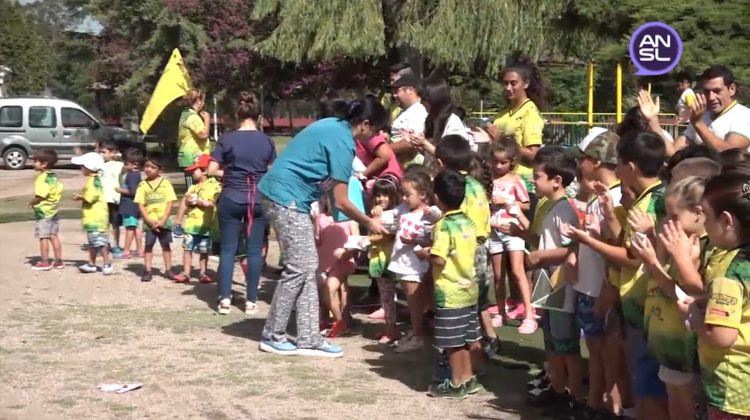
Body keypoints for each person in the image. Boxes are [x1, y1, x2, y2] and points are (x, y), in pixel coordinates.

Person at [257, 96, 389, 358]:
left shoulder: (331, 125)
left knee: (307, 267)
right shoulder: (343, 143)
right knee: (299, 268)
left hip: (288, 198)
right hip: (285, 199)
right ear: (364, 124)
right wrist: (368, 222)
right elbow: (341, 199)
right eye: (377, 130)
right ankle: (272, 334)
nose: (377, 137)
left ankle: (308, 338)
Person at [631, 177, 709, 420]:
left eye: (673, 216)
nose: (667, 221)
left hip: (686, 343)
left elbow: (685, 290)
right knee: (675, 401)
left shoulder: (706, 246)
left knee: (686, 405)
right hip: (666, 339)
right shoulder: (680, 239)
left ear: (698, 213)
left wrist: (652, 262)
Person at [513, 146, 583, 415]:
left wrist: (540, 254)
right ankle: (557, 388)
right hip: (547, 280)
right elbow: (545, 240)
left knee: (566, 344)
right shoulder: (549, 206)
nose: (534, 180)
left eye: (538, 176)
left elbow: (572, 248)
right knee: (552, 340)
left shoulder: (565, 209)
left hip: (560, 282)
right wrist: (523, 234)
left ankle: (574, 397)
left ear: (557, 181)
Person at [569, 129, 625, 416]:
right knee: (595, 349)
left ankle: (608, 404)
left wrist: (607, 287)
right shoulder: (597, 195)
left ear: (597, 161)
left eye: (585, 158)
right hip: (588, 284)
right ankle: (594, 401)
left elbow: (616, 247)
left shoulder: (614, 198)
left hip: (600, 288)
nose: (581, 164)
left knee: (608, 353)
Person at [615, 131, 669, 419]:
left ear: (630, 167)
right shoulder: (661, 195)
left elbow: (631, 258)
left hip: (647, 307)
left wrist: (588, 241)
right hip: (651, 306)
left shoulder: (646, 205)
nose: (616, 169)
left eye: (619, 163)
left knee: (650, 385)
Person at [207, 91, 276, 315]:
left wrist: (229, 173)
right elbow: (272, 172)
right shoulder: (267, 141)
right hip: (257, 199)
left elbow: (211, 170)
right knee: (254, 251)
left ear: (238, 114)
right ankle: (251, 301)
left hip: (231, 197)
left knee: (227, 250)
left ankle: (225, 299)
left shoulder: (226, 139)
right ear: (258, 116)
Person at [434, 136, 497, 376]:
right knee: (474, 306)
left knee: (460, 308)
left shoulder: (456, 186)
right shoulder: (476, 184)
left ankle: (458, 362)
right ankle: (475, 361)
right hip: (482, 248)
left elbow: (457, 224)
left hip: (464, 252)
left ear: (440, 162)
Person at [692, 169, 750, 419]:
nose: (702, 224)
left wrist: (695, 318)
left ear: (727, 220)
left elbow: (722, 336)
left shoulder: (728, 274)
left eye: (705, 216)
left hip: (731, 389)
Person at [426, 169, 481, 399]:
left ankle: (456, 383)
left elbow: (439, 257)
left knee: (452, 343)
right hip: (469, 290)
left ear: (437, 197)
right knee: (466, 339)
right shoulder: (468, 221)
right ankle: (468, 378)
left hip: (449, 292)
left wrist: (424, 252)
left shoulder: (444, 225)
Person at [486, 136, 535, 333]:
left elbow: (526, 204)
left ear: (512, 162)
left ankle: (529, 314)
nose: (498, 166)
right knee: (498, 275)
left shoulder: (516, 180)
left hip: (512, 229)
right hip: (493, 229)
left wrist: (507, 201)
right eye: (495, 161)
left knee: (517, 270)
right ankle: (501, 312)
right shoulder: (488, 179)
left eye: (503, 162)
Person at [479, 58, 547, 198]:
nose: (508, 88)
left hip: (520, 182)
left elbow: (533, 154)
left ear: (526, 84)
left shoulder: (530, 112)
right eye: (505, 83)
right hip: (498, 180)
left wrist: (500, 139)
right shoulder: (503, 113)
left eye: (513, 83)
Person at [387, 169, 436, 353]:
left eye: (408, 194)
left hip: (416, 265)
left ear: (423, 194)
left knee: (415, 302)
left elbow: (433, 239)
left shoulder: (428, 214)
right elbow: (388, 215)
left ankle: (417, 336)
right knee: (411, 299)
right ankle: (415, 332)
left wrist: (415, 240)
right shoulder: (403, 209)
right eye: (403, 194)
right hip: (402, 262)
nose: (404, 198)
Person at [674, 65, 750, 152]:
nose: (711, 97)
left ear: (732, 89)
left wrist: (698, 124)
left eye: (717, 91)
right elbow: (674, 152)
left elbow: (729, 154)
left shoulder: (745, 116)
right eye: (707, 91)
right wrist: (655, 122)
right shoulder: (701, 115)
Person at [173, 154, 221, 284]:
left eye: (195, 170)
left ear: (205, 170)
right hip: (190, 224)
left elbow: (211, 203)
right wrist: (178, 220)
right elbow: (184, 201)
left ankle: (203, 272)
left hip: (205, 224)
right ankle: (186, 272)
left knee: (203, 250)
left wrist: (199, 202)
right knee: (187, 248)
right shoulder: (193, 187)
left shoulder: (214, 185)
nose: (192, 173)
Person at [315, 194, 358, 338]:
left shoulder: (350, 220)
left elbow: (357, 243)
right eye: (329, 198)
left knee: (330, 288)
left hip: (342, 262)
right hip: (323, 263)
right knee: (323, 294)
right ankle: (326, 321)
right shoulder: (320, 218)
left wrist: (347, 252)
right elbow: (317, 241)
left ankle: (340, 322)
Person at [407, 77, 473, 168]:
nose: (422, 103)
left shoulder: (452, 122)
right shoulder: (429, 120)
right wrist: (416, 144)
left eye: (424, 100)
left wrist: (425, 144)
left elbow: (453, 158)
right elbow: (429, 154)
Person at [368, 177, 402, 343]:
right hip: (380, 260)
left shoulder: (397, 214)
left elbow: (390, 236)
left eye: (385, 195)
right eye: (378, 194)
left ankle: (393, 330)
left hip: (395, 260)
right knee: (386, 296)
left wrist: (372, 239)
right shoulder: (375, 213)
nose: (381, 199)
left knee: (391, 296)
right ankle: (390, 328)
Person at [134, 152, 177, 282]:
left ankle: (168, 270)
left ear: (160, 170)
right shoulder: (142, 185)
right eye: (147, 166)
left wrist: (163, 220)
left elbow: (170, 202)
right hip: (150, 220)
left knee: (166, 245)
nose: (148, 169)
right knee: (148, 246)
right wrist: (148, 220)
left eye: (152, 167)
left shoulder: (166, 183)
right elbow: (140, 204)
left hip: (164, 221)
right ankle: (147, 270)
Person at [71, 152, 112, 275]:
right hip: (92, 217)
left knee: (100, 242)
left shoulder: (93, 180)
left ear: (89, 167)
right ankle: (91, 264)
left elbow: (91, 197)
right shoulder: (92, 179)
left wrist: (80, 197)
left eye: (82, 166)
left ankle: (107, 263)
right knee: (93, 242)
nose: (81, 168)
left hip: (96, 218)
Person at [29, 149, 64, 271]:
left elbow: (40, 196)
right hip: (53, 210)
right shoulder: (53, 177)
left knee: (43, 237)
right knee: (54, 235)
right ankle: (58, 261)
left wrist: (31, 203)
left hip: (44, 212)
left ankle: (45, 261)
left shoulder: (42, 178)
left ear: (44, 164)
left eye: (35, 161)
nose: (33, 163)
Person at [389, 74, 428, 165]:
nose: (394, 95)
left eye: (397, 91)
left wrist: (384, 149)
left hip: (410, 165)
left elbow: (411, 143)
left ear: (410, 90)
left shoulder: (418, 112)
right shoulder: (405, 112)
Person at [178, 88, 212, 186]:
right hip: (194, 157)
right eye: (203, 100)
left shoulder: (185, 114)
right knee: (194, 189)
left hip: (191, 155)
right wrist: (207, 120)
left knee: (198, 188)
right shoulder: (193, 117)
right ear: (199, 101)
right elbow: (203, 134)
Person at [115, 149, 145, 259]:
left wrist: (120, 190)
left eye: (126, 163)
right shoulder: (136, 174)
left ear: (135, 164)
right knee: (136, 227)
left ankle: (126, 251)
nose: (124, 165)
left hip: (129, 205)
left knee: (129, 228)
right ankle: (140, 250)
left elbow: (133, 191)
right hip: (134, 206)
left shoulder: (132, 175)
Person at [99, 141, 125, 257]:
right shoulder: (99, 165)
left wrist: (118, 156)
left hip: (114, 199)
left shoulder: (118, 165)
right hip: (102, 199)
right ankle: (104, 245)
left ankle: (115, 245)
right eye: (100, 152)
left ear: (113, 153)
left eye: (104, 152)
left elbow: (128, 165)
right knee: (103, 224)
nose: (101, 154)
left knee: (115, 224)